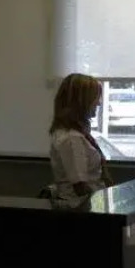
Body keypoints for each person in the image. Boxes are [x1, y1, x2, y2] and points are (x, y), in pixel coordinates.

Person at [48, 73, 112, 207]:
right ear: (81, 101)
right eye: (95, 98)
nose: (99, 103)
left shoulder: (77, 133)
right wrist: (101, 206)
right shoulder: (72, 138)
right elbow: (80, 186)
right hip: (79, 207)